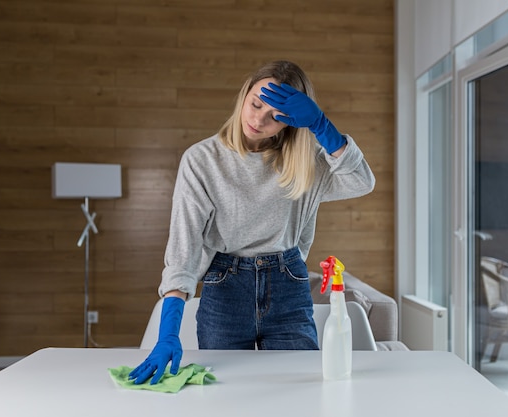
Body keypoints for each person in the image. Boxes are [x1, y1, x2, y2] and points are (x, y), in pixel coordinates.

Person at [129, 60, 375, 384]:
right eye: (256, 104)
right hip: (225, 288)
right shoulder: (202, 161)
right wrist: (167, 333)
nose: (258, 119)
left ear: (290, 122)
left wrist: (320, 125)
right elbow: (183, 252)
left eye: (274, 116)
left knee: (301, 392)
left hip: (288, 285)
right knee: (226, 394)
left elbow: (361, 181)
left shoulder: (305, 163)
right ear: (244, 95)